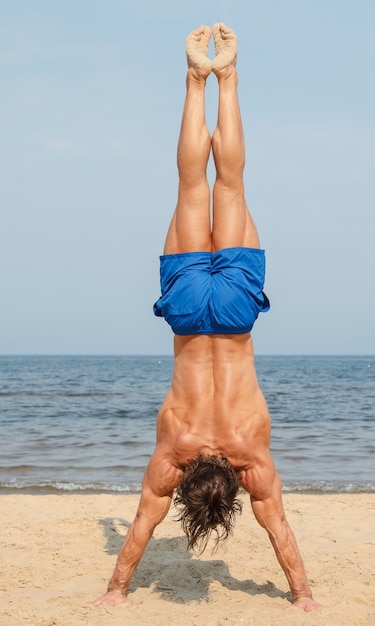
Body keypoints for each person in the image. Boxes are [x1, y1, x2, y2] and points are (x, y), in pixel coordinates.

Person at [94, 23, 321, 612]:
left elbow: (279, 532)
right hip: (190, 316)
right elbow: (141, 527)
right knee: (193, 185)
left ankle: (229, 77)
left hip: (237, 315)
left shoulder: (252, 457)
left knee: (232, 184)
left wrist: (304, 595)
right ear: (186, 485)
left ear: (231, 488)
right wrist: (116, 587)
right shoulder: (174, 451)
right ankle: (198, 80)